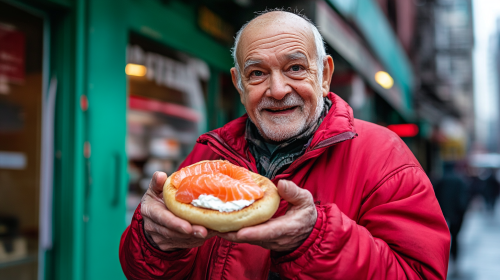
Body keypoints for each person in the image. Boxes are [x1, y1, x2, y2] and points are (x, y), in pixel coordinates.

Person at [119, 10, 450, 279]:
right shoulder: (208, 155)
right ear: (239, 83)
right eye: (258, 73)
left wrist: (314, 238)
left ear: (324, 75)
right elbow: (143, 271)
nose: (277, 90)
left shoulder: (384, 156)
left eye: (294, 68)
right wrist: (155, 243)